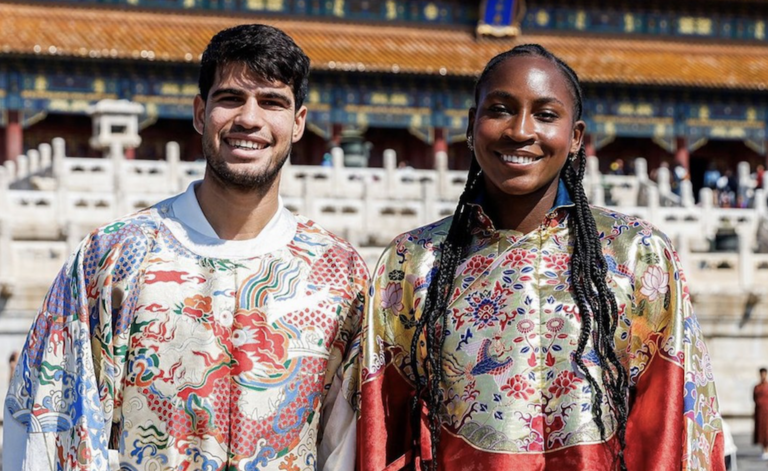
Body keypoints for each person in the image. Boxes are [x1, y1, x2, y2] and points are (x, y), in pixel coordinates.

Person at [4, 24, 367, 471]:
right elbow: (50, 419)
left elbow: (349, 443)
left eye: (272, 102)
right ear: (200, 113)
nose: (250, 119)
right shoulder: (112, 256)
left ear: (298, 123)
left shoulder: (338, 273)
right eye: (231, 98)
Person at [357, 44, 724, 470]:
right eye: (500, 109)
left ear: (576, 138)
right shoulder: (413, 262)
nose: (520, 131)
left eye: (546, 115)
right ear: (471, 125)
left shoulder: (639, 256)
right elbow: (382, 431)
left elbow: (671, 424)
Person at [754, 367, 768, 459]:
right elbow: (754, 398)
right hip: (760, 412)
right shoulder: (757, 387)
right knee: (761, 431)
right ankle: (764, 449)